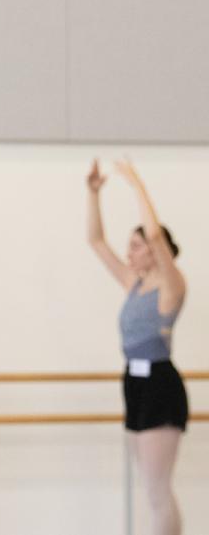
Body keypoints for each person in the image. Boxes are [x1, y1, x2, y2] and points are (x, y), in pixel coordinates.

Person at [86, 158, 188, 535]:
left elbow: (157, 236)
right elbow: (96, 241)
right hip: (134, 382)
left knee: (158, 490)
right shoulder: (134, 283)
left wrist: (135, 184)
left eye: (135, 246)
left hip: (161, 386)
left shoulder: (172, 286)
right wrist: (93, 194)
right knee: (148, 487)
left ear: (152, 251)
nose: (128, 253)